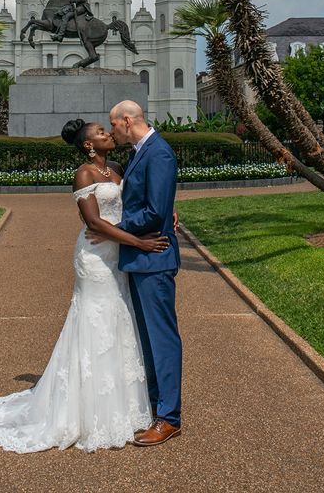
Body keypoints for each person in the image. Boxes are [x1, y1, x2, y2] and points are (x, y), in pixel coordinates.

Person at [0, 118, 168, 453]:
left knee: (119, 321)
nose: (108, 134)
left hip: (117, 253)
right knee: (94, 321)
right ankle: (86, 408)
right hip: (95, 257)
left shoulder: (118, 168)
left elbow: (139, 199)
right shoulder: (84, 173)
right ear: (88, 145)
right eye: (100, 133)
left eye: (106, 131)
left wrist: (169, 209)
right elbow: (93, 222)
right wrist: (139, 244)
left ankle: (125, 405)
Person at [102, 99, 182, 447]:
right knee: (147, 339)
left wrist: (113, 227)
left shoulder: (158, 153)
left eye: (114, 125)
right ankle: (155, 405)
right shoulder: (139, 153)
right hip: (140, 257)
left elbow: (154, 210)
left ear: (128, 120)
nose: (112, 132)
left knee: (161, 339)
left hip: (155, 259)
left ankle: (169, 418)